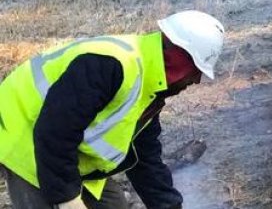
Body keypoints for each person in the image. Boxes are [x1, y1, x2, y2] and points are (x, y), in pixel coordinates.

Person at [0, 11, 226, 209]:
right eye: (196, 70)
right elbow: (55, 131)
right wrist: (67, 198)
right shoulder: (111, 65)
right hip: (24, 140)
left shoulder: (148, 88)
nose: (196, 81)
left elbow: (144, 159)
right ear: (178, 59)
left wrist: (168, 205)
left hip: (66, 154)